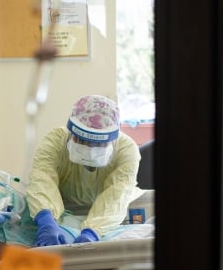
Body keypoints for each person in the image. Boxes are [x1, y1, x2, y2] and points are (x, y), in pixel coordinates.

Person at [26, 94, 144, 246]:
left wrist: (92, 232)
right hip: (60, 210)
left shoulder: (127, 150)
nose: (89, 149)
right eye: (82, 141)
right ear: (71, 132)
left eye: (97, 144)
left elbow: (118, 194)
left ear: (112, 139)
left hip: (111, 216)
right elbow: (42, 178)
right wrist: (46, 219)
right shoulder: (55, 141)